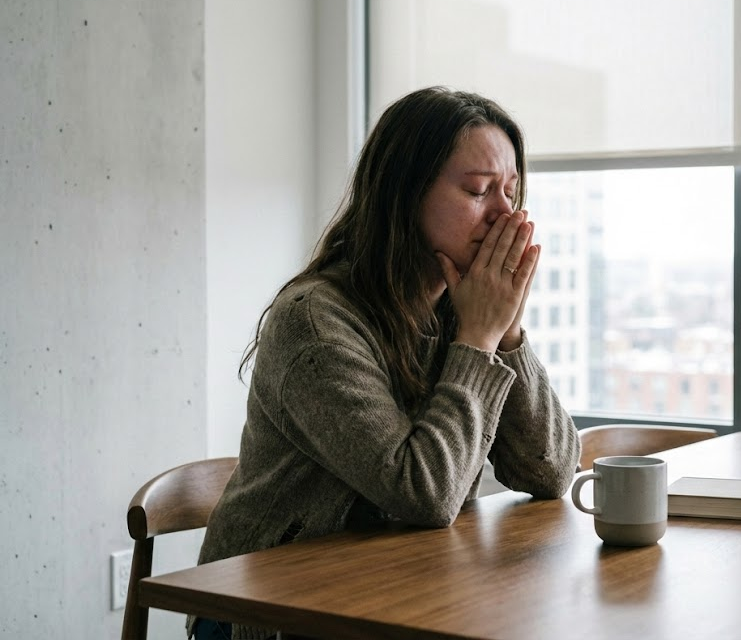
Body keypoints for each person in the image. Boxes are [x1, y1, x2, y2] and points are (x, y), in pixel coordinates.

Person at [189, 86, 582, 639]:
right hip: (267, 614)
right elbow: (421, 493)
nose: (503, 215)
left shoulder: (460, 308)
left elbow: (551, 470)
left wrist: (508, 331)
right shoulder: (314, 323)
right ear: (405, 193)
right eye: (477, 190)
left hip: (397, 588)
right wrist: (479, 338)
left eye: (511, 192)